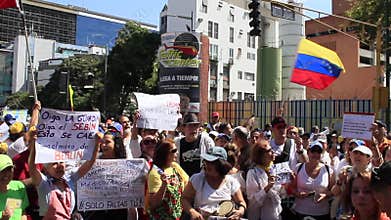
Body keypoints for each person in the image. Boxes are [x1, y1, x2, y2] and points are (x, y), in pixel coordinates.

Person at [28, 128, 100, 219]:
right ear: (46, 170)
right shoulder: (43, 183)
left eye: (61, 162)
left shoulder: (70, 178)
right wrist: (34, 143)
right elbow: (32, 166)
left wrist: (96, 143)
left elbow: (89, 163)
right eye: (54, 163)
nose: (59, 166)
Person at [182, 146, 246, 219]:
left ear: (221, 165)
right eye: (206, 161)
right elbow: (185, 199)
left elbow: (241, 202)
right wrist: (192, 212)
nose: (207, 164)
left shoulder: (231, 182)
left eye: (211, 162)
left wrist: (240, 211)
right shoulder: (197, 179)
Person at [291, 141, 334, 220]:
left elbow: (332, 190)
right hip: (300, 212)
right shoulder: (298, 168)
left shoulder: (328, 170)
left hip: (322, 213)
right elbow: (291, 187)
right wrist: (297, 193)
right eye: (313, 151)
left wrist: (325, 195)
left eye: (319, 152)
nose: (316, 154)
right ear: (308, 152)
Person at [147, 140, 188, 219]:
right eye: (174, 150)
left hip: (178, 216)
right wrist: (164, 185)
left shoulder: (174, 166)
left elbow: (187, 183)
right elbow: (154, 203)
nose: (177, 152)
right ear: (165, 154)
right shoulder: (155, 173)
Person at [246, 140, 282, 220]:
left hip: (275, 216)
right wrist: (267, 188)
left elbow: (282, 193)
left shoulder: (275, 169)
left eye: (271, 149)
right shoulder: (253, 173)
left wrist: (289, 182)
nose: (272, 152)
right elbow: (253, 202)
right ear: (261, 155)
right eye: (269, 151)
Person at [175, 113, 214, 177]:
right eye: (190, 126)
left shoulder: (206, 141)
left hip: (202, 180)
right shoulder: (177, 143)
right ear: (183, 128)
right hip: (184, 181)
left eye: (195, 125)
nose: (193, 129)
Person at [0, 154, 29, 220]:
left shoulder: (18, 187)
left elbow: (23, 212)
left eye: (9, 169)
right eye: (2, 170)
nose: (7, 174)